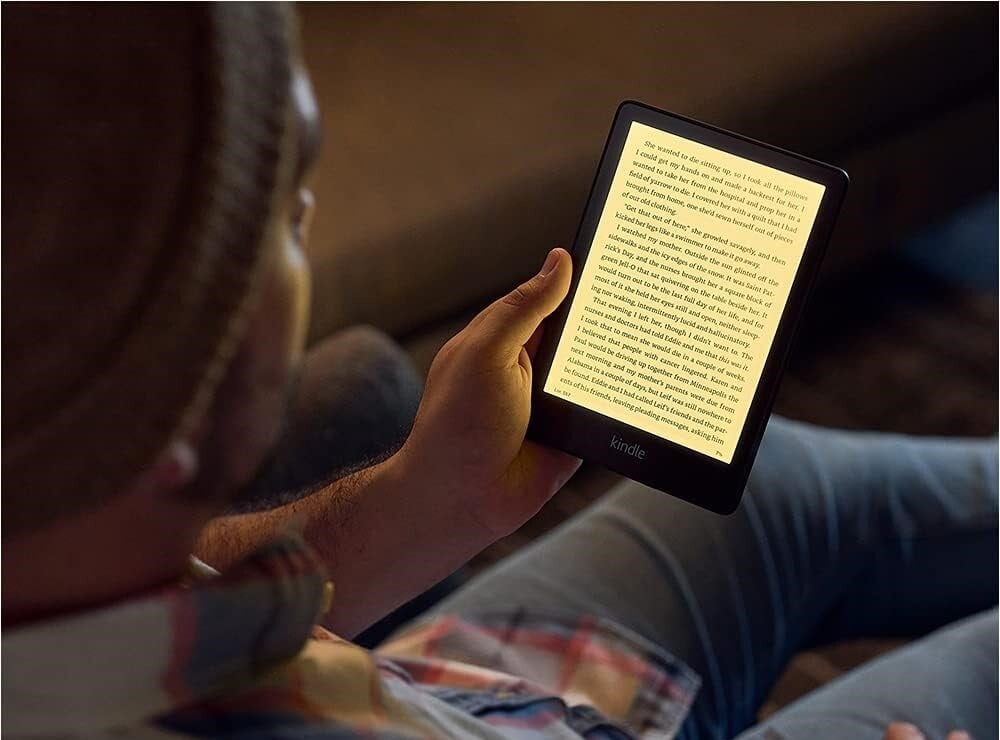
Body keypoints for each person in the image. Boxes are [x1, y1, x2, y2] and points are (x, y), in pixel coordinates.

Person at [3, 5, 996, 740]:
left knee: (777, 482)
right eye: (288, 215)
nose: (310, 226)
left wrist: (416, 500)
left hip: (446, 694)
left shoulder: (50, 535)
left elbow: (153, 600)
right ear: (161, 407)